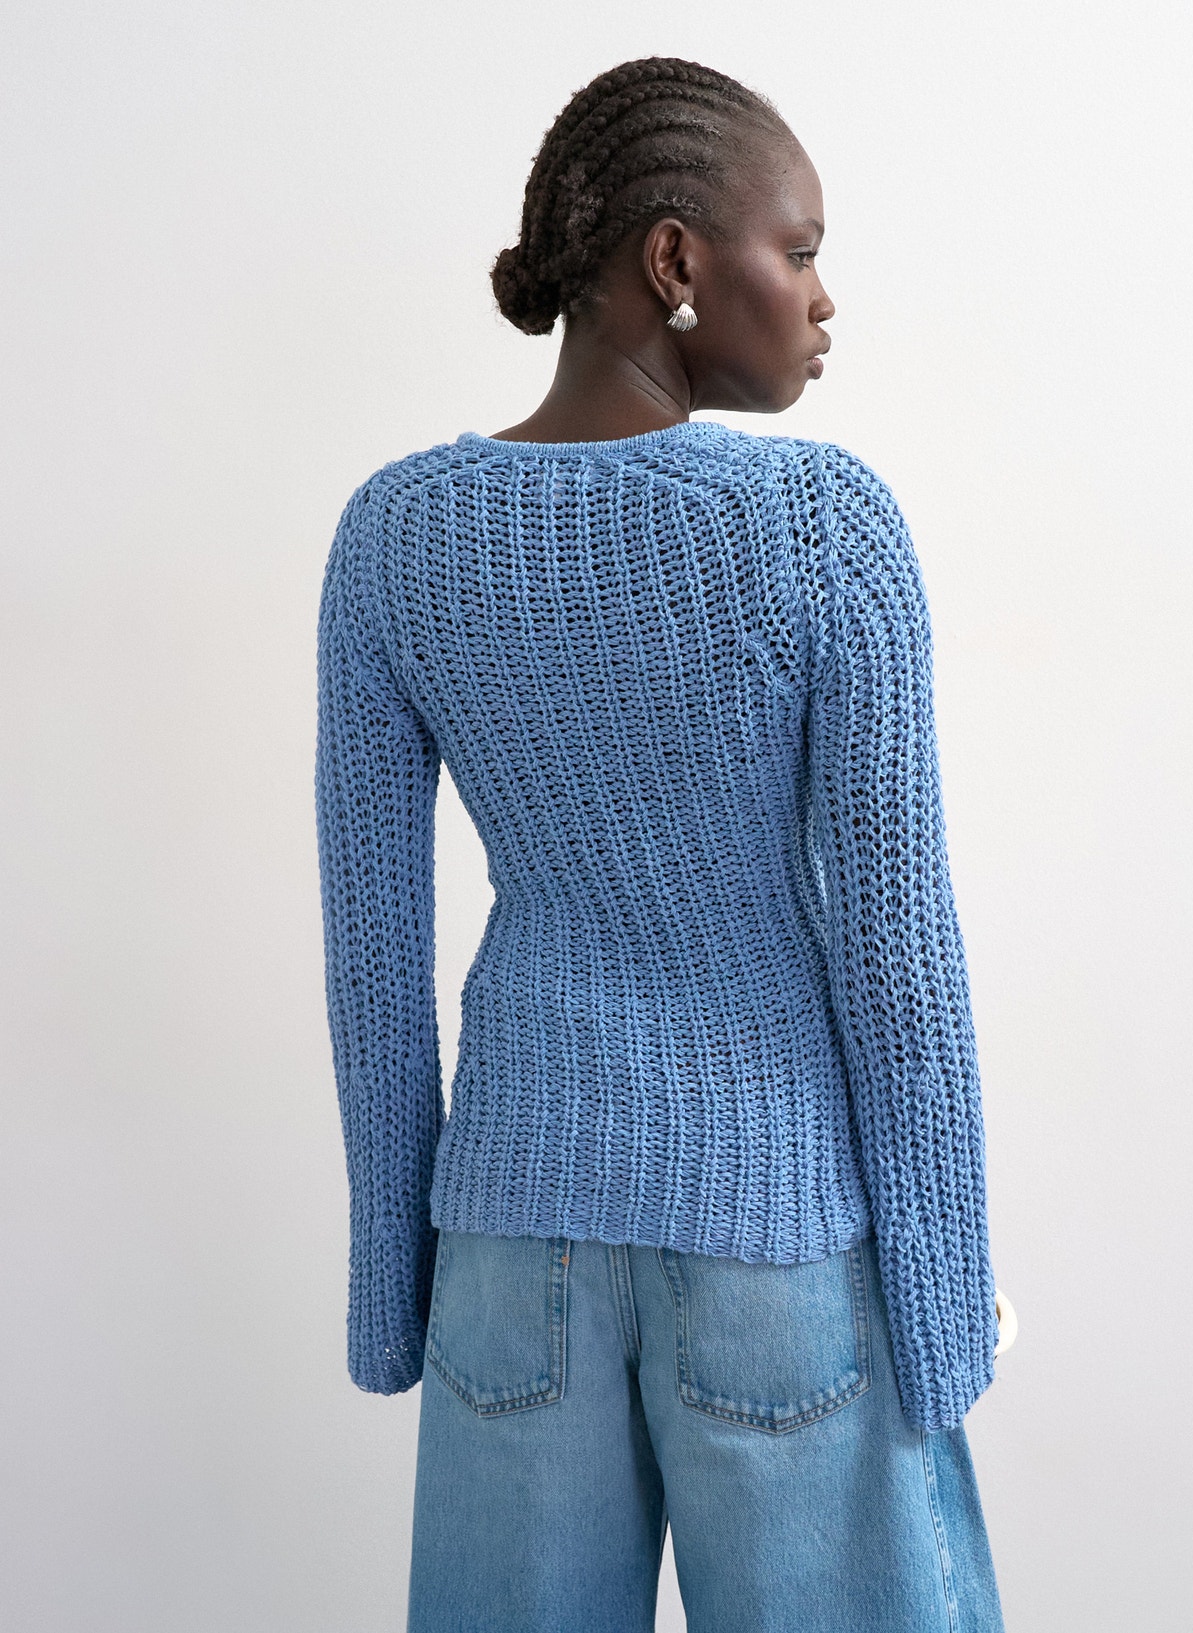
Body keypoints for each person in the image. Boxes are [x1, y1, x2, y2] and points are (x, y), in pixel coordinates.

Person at [315, 55, 1011, 1633]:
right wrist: (946, 1304)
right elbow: (898, 955)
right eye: (802, 250)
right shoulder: (824, 528)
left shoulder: (393, 538)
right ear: (678, 259)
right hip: (778, 1247)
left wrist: (391, 1292)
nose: (823, 300)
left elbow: (373, 965)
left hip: (506, 1255)